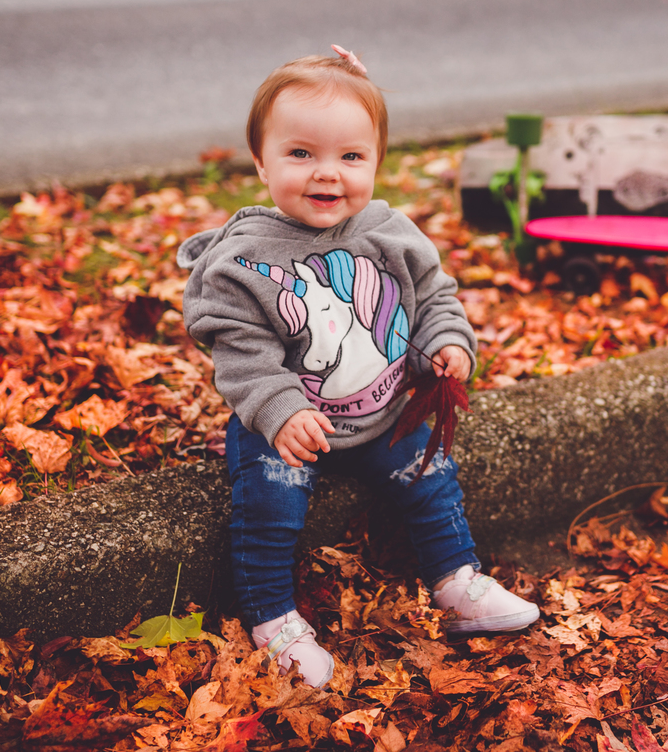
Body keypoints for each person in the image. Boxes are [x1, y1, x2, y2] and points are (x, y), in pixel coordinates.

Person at [177, 45, 539, 688]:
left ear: (376, 161)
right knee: (269, 505)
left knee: (431, 473)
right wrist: (280, 409)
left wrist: (446, 347)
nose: (327, 174)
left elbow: (433, 299)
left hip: (383, 415)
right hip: (286, 428)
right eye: (301, 154)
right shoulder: (243, 261)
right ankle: (272, 617)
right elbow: (240, 351)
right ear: (261, 161)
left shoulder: (391, 233)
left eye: (350, 156)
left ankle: (456, 581)